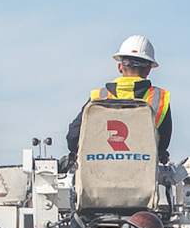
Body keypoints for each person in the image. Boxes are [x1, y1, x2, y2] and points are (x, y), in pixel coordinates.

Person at [65, 35, 173, 166]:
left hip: (99, 176)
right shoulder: (159, 99)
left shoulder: (98, 97)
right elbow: (162, 145)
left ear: (120, 67)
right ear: (149, 69)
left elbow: (73, 136)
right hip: (142, 179)